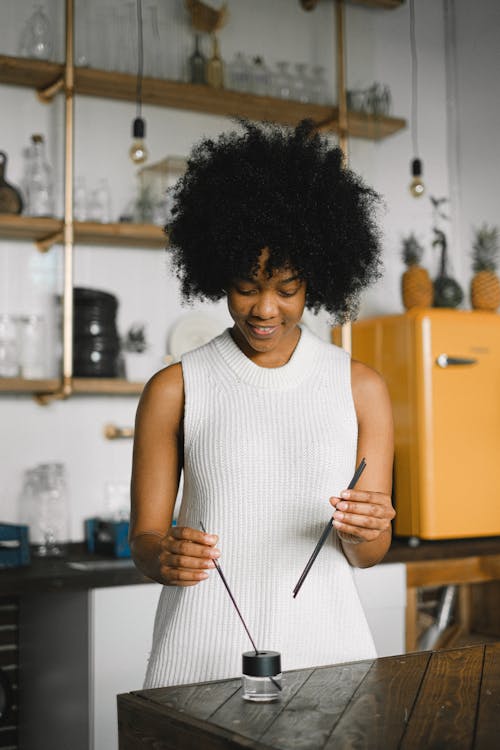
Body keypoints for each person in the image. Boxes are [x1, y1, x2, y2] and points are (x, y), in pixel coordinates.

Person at [130, 119, 395, 689]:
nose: (264, 309)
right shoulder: (174, 389)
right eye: (246, 285)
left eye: (287, 287)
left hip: (331, 660)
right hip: (197, 662)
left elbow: (369, 554)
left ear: (316, 282)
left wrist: (365, 529)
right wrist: (164, 555)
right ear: (218, 275)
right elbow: (145, 541)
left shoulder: (361, 388)